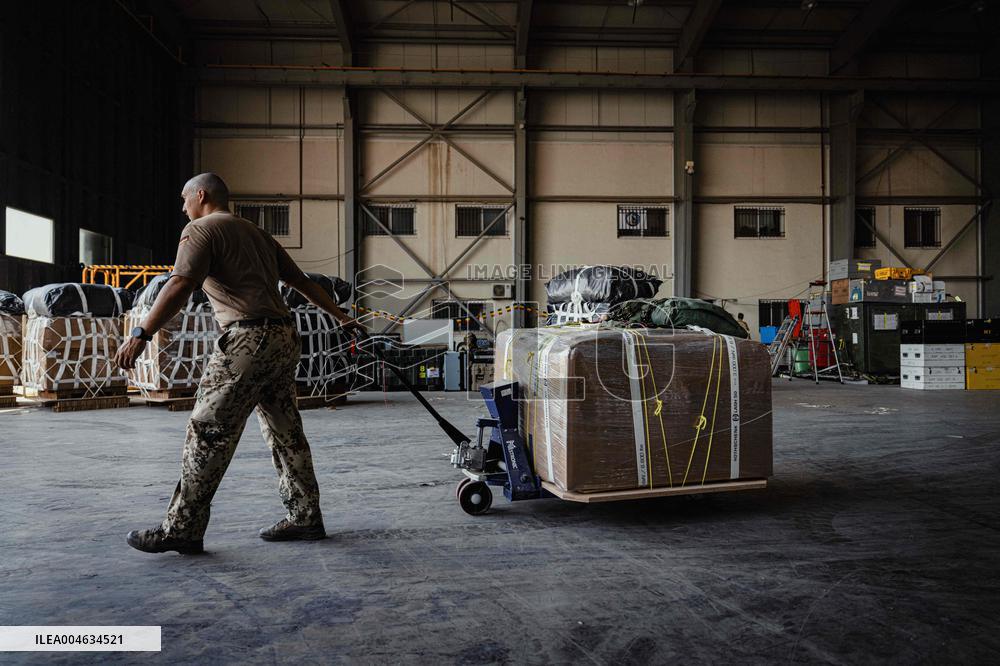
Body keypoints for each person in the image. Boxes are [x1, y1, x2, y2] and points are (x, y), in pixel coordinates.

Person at [115, 173, 364, 555]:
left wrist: (141, 333)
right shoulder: (256, 233)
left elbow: (180, 283)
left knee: (207, 430)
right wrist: (342, 316)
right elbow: (301, 282)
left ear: (201, 195)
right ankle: (305, 516)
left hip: (248, 339)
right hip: (284, 337)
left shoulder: (200, 230)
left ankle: (181, 528)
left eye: (184, 200)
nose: (183, 208)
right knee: (286, 432)